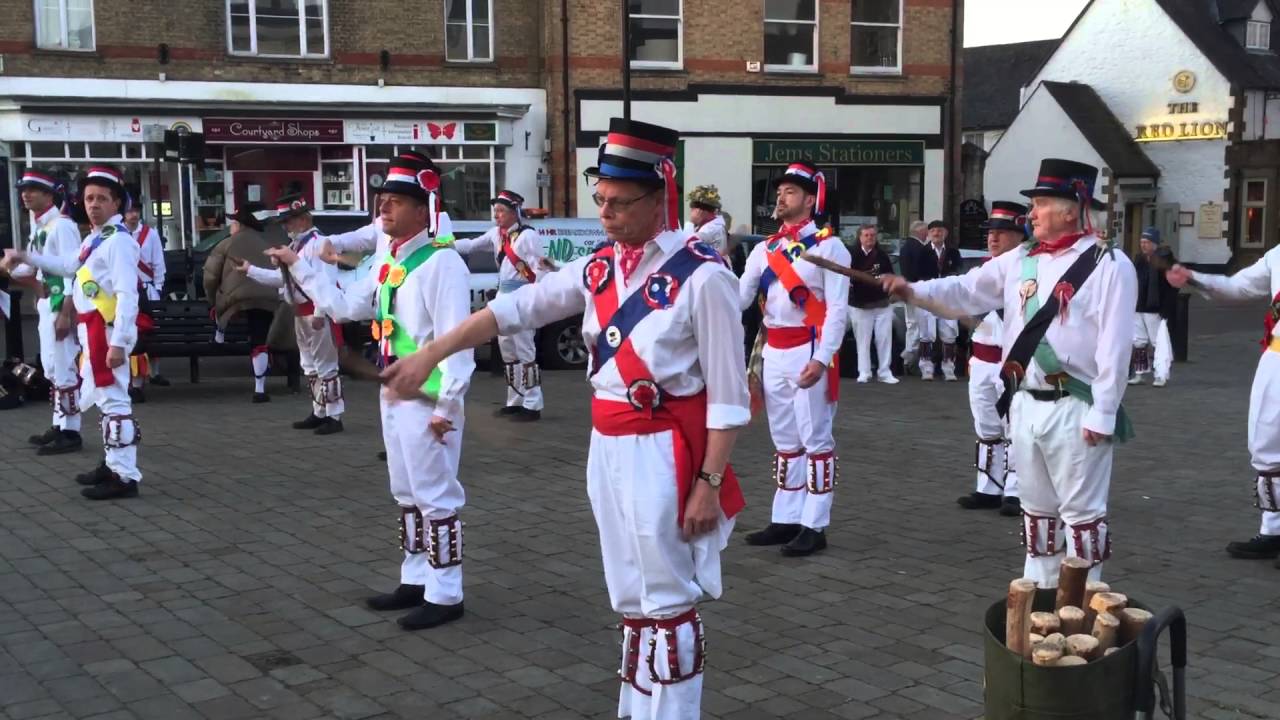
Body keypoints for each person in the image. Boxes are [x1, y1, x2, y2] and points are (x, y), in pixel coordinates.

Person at [382, 118, 748, 719]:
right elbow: (514, 309)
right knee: (630, 592)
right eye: (599, 198)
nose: (604, 212)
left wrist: (708, 484)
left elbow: (730, 400)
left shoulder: (705, 278)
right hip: (605, 445)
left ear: (659, 199)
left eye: (619, 202)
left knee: (667, 597)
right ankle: (637, 708)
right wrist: (431, 352)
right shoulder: (599, 268)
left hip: (664, 450)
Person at [884, 159, 1136, 587]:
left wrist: (1104, 412)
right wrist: (912, 290)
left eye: (1040, 203)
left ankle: (1083, 607)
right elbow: (966, 290)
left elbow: (1116, 345)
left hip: (1075, 406)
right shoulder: (1020, 259)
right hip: (1023, 403)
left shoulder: (1110, 264)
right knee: (1036, 513)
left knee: (1081, 517)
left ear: (1072, 209)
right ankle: (1038, 600)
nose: (1030, 214)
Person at [266, 154, 475, 630]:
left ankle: (447, 593)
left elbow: (457, 343)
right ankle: (415, 578)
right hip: (394, 392)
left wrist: (449, 406)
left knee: (436, 494)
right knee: (405, 491)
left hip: (431, 398)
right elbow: (341, 307)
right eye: (383, 201)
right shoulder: (387, 260)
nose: (385, 210)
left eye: (397, 202)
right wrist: (299, 265)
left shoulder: (443, 263)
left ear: (424, 210)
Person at [6, 166, 146, 500]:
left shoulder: (119, 243)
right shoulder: (95, 239)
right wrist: (24, 255)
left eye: (102, 198)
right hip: (91, 330)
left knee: (114, 401)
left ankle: (125, 476)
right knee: (100, 398)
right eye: (88, 198)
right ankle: (113, 464)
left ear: (117, 204)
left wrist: (121, 343)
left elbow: (128, 295)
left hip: (105, 331)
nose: (94, 204)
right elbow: (68, 265)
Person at [739, 161, 851, 557]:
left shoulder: (828, 247)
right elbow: (738, 297)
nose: (781, 197)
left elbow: (838, 310)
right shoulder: (764, 249)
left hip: (808, 349)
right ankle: (785, 517)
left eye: (790, 191)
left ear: (809, 199)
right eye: (780, 191)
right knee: (785, 441)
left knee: (816, 440)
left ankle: (815, 523)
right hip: (773, 351)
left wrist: (822, 359)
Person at [1168, 249, 1280, 564]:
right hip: (1277, 356)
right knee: (1266, 444)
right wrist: (1194, 276)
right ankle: (1272, 530)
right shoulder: (1278, 256)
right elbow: (1240, 288)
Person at [235, 194, 345, 434]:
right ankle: (319, 411)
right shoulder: (296, 246)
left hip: (316, 313)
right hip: (299, 312)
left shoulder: (319, 243)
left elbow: (326, 282)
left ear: (304, 219)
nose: (286, 227)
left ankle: (334, 416)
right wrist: (251, 270)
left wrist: (319, 311)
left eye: (289, 221)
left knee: (326, 366)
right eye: (284, 222)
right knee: (310, 365)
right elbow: (284, 280)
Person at [956, 201, 1025, 516]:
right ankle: (988, 487)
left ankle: (1016, 491)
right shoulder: (981, 271)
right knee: (986, 426)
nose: (993, 239)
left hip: (1011, 362)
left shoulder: (1028, 272)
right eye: (990, 233)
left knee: (1014, 427)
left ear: (1018, 235)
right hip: (981, 359)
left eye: (1001, 232)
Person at [453, 190, 546, 420]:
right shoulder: (496, 234)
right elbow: (472, 245)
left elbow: (539, 269)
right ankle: (515, 400)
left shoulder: (527, 237)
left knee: (525, 350)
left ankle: (533, 404)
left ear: (515, 212)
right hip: (503, 296)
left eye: (502, 211)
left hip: (522, 296)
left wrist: (536, 298)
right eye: (495, 211)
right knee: (508, 351)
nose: (497, 215)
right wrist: (444, 244)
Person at [10, 170, 84, 454]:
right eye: (24, 189)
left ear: (50, 194)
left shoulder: (62, 226)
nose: (26, 194)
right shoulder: (41, 226)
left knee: (64, 366)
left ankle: (71, 431)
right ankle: (59, 423)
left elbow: (72, 270)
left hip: (58, 303)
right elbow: (29, 268)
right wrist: (10, 267)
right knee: (52, 366)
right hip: (47, 302)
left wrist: (67, 311)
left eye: (33, 189)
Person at [204, 202, 281, 402]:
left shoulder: (226, 243)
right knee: (259, 340)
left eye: (233, 222)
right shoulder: (266, 244)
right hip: (266, 300)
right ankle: (260, 389)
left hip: (234, 302)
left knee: (222, 308)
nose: (231, 226)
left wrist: (213, 300)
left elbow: (210, 277)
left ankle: (219, 337)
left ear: (239, 225)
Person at [123, 198, 169, 399]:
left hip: (148, 291)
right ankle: (132, 378)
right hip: (125, 291)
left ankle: (154, 372)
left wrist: (157, 288)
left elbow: (158, 262)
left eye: (136, 211)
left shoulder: (151, 235)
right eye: (130, 211)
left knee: (150, 331)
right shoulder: (117, 234)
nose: (133, 215)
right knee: (131, 335)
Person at [847, 224, 897, 384]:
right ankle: (864, 371)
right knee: (863, 339)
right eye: (867, 235)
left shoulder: (882, 255)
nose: (870, 238)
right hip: (860, 304)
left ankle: (884, 371)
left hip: (882, 303)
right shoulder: (851, 254)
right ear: (860, 237)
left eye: (873, 236)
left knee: (884, 338)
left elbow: (890, 275)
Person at [915, 221, 963, 381]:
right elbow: (917, 275)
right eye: (933, 231)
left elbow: (958, 272)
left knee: (949, 332)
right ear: (928, 234)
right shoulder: (922, 252)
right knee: (926, 334)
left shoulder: (953, 252)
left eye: (940, 231)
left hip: (948, 298)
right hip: (927, 298)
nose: (936, 233)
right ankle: (926, 367)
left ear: (946, 233)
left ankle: (948, 367)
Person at [1130, 227, 1178, 387]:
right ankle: (1140, 372)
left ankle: (1161, 374)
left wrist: (1166, 308)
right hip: (1138, 306)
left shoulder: (1164, 260)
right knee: (1139, 341)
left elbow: (1172, 286)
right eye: (1142, 242)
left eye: (1147, 242)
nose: (1143, 245)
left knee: (1159, 341)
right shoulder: (1139, 259)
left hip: (1155, 307)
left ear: (1155, 244)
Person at [899, 220, 929, 371]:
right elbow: (920, 271)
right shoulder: (920, 248)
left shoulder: (905, 247)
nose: (927, 234)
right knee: (919, 326)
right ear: (920, 232)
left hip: (908, 288)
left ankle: (908, 358)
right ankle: (908, 357)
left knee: (912, 324)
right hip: (918, 290)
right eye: (926, 231)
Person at [683, 185, 728, 253]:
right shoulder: (707, 225)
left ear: (701, 210)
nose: (691, 210)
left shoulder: (711, 228)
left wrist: (691, 222)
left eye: (693, 206)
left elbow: (685, 244)